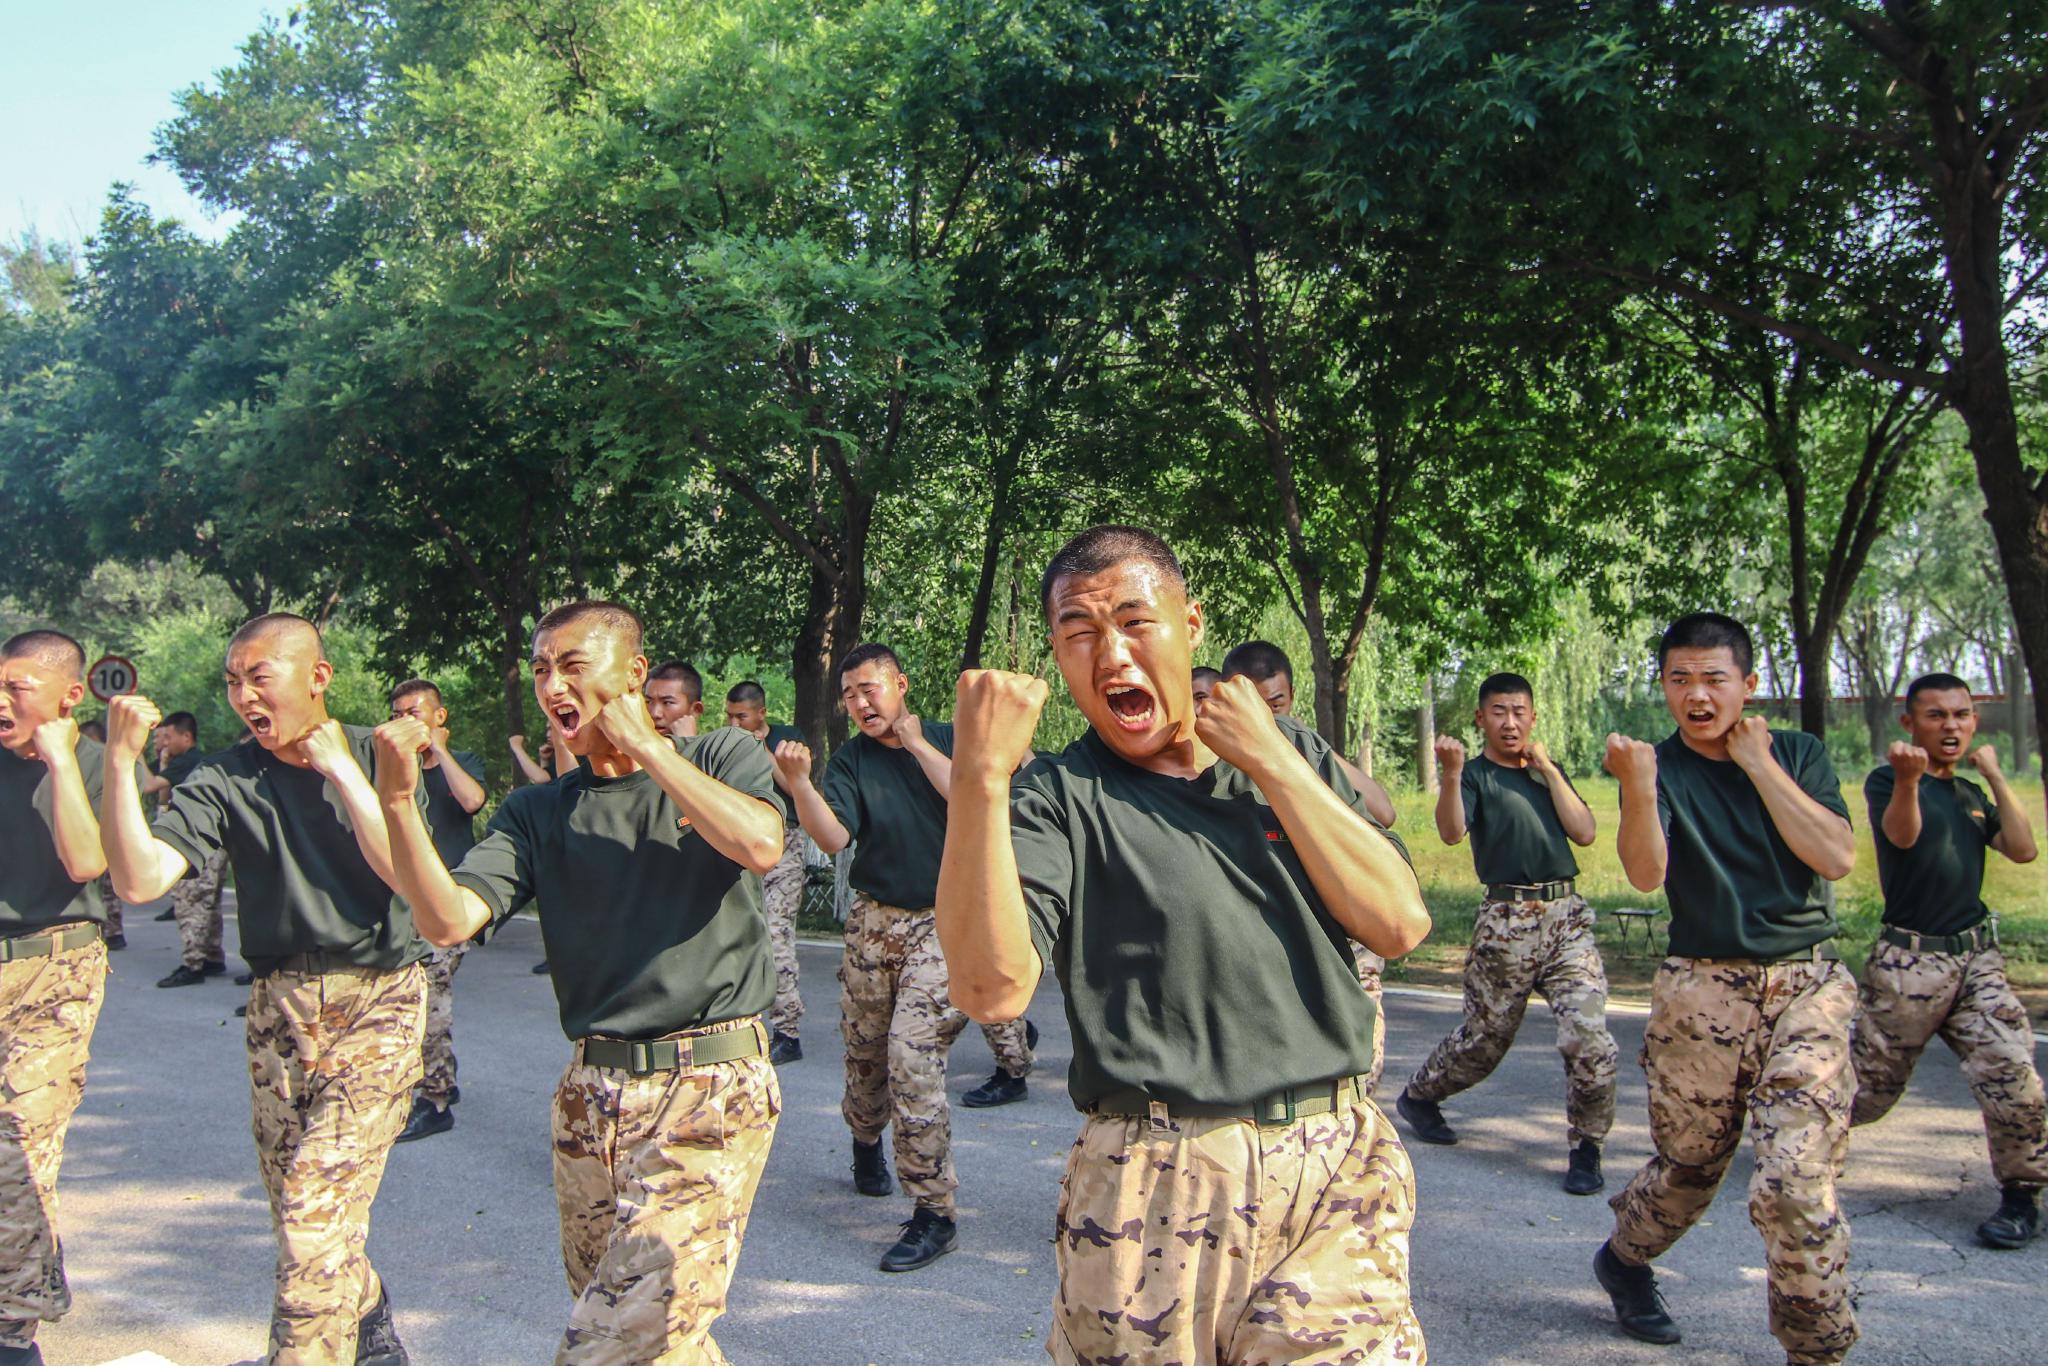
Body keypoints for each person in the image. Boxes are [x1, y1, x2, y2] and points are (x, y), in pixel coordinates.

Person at [937, 526, 1431, 1362]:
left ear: (1190, 624)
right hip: (1150, 1181)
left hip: (1332, 1164)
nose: (1113, 655)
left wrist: (1273, 760)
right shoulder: (1058, 796)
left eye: (1136, 623)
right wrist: (982, 780)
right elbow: (992, 991)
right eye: (1080, 635)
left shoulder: (1288, 754)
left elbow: (1400, 924)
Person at [373, 600, 784, 1363]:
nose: (551, 684)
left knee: (610, 1342)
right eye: (539, 669)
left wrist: (651, 750)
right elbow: (447, 918)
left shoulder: (720, 755)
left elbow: (761, 843)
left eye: (570, 665)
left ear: (631, 675)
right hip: (589, 1097)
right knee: (653, 1337)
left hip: (708, 1087)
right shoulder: (537, 811)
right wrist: (398, 804)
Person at [100, 613, 427, 1366]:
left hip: (376, 1000)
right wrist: (121, 764)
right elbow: (140, 878)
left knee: (316, 1213)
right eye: (232, 680)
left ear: (318, 678)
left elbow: (407, 877)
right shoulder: (222, 775)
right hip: (278, 1012)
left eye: (260, 676)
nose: (244, 694)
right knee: (301, 1217)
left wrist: (343, 770)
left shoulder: (385, 752)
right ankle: (370, 1324)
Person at [1594, 612, 1858, 1363]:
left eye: (1714, 679)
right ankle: (1624, 1260)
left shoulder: (1797, 753)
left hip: (1807, 984)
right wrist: (1639, 788)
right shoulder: (1660, 767)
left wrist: (1759, 765)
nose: (1698, 696)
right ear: (1665, 687)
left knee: (1795, 1181)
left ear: (1748, 685)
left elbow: (1835, 857)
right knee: (1690, 1167)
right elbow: (1647, 875)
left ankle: (1817, 1350)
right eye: (1680, 680)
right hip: (1701, 989)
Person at [772, 643, 1036, 1272]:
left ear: (900, 685)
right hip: (874, 923)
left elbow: (979, 799)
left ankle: (933, 1212)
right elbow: (834, 837)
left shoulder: (950, 737)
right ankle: (866, 1141)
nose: (860, 703)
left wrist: (918, 745)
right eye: (848, 694)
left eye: (870, 689)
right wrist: (801, 784)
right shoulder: (852, 762)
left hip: (948, 922)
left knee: (911, 1055)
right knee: (865, 1060)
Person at [1394, 672, 1617, 1196]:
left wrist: (1549, 772)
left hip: (1566, 917)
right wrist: (1450, 775)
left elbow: (1583, 831)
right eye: (1498, 711)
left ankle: (1587, 1148)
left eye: (1519, 711)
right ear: (1480, 719)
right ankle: (1421, 1096)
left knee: (1589, 1035)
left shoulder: (1546, 771)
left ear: (1533, 718)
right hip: (1506, 920)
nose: (1510, 721)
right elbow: (1451, 833)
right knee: (1484, 1041)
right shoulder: (1474, 776)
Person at [1850, 673, 2044, 1248]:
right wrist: (1909, 782)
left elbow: (2024, 848)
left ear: (1974, 721)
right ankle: (1796, 1142)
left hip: (1976, 959)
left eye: (1960, 715)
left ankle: (2020, 1196)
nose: (1950, 726)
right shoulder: (1889, 780)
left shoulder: (1968, 794)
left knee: (2013, 1074)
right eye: (1935, 716)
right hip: (1910, 964)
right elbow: (1902, 838)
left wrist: (1995, 775)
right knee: (1866, 1092)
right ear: (1910, 723)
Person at [0, 630, 114, 1366]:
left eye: (17, 688)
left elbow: (85, 858)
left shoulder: (99, 762)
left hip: (56, 968)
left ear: (69, 696)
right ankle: (27, 1284)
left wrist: (60, 757)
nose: (1, 701)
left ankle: (14, 1334)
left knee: (14, 1147)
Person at [1220, 640, 1399, 1093]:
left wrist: (1302, 748)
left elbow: (1383, 809)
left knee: (1361, 1071)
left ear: (1292, 698)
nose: (1268, 718)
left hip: (1347, 927)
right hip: (1278, 931)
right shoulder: (1218, 761)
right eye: (1256, 707)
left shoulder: (1307, 748)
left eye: (1276, 704)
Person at [384, 680, 487, 1144]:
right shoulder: (393, 771)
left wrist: (438, 751)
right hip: (404, 902)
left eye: (415, 712)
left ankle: (435, 1099)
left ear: (438, 717)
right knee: (415, 996)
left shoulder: (458, 764)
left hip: (448, 904)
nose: (406, 721)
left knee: (428, 1000)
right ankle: (441, 1076)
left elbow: (472, 801)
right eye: (397, 714)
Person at [725, 680, 810, 1064]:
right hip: (743, 839)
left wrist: (760, 747)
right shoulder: (727, 741)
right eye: (729, 716)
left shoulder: (788, 740)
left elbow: (796, 789)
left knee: (776, 934)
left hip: (785, 841)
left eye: (741, 716)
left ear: (761, 713)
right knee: (742, 934)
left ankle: (787, 1031)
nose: (734, 723)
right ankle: (745, 1021)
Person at [153, 712, 231, 988]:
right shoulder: (179, 762)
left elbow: (149, 786)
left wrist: (127, 751)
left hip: (199, 838)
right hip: (207, 839)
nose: (163, 743)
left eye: (168, 737)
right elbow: (163, 798)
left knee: (192, 900)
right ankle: (211, 955)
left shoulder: (190, 761)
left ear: (187, 737)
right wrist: (163, 761)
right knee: (208, 901)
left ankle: (192, 963)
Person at [645, 659, 705, 740]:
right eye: (648, 702)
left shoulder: (713, 751)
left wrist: (688, 743)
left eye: (667, 703)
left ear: (695, 710)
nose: (655, 714)